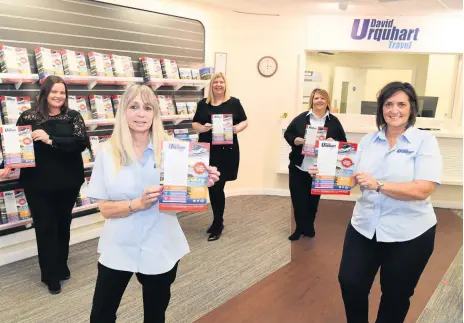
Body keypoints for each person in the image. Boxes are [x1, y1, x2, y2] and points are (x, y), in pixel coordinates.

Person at [87, 84, 220, 323]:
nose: (141, 114)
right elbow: (105, 209)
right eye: (134, 107)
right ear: (124, 112)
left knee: (155, 315)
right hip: (119, 245)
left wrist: (201, 182)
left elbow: (182, 200)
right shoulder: (108, 152)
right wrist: (136, 204)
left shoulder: (174, 149)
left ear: (155, 113)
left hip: (161, 244)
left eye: (148, 108)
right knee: (101, 315)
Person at [310, 82, 442, 323]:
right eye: (388, 104)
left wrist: (379, 184)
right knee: (350, 282)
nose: (394, 110)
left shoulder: (425, 141)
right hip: (364, 227)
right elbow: (351, 179)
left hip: (409, 234)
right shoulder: (369, 141)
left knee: (396, 295)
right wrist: (326, 175)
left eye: (401, 104)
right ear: (381, 109)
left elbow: (423, 189)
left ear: (412, 108)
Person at [2, 75, 88, 294]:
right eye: (54, 92)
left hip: (68, 181)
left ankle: (61, 264)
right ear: (44, 93)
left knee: (63, 223)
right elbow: (16, 145)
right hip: (38, 183)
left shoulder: (73, 116)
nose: (58, 96)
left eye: (62, 92)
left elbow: (81, 144)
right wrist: (8, 165)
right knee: (45, 226)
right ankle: (50, 275)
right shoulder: (29, 116)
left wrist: (50, 139)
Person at [192, 72, 248, 241]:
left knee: (218, 186)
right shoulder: (203, 104)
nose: (218, 84)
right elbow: (195, 123)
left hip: (226, 151)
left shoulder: (234, 102)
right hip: (207, 151)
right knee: (212, 187)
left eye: (221, 82)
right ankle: (218, 221)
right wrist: (203, 128)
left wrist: (237, 128)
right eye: (215, 82)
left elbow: (245, 120)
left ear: (225, 85)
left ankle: (218, 222)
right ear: (211, 85)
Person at [284, 88, 346, 241]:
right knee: (298, 200)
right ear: (311, 100)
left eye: (322, 98)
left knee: (313, 201)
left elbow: (344, 143)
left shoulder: (334, 121)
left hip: (320, 170)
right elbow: (288, 134)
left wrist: (335, 143)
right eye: (316, 98)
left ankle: (309, 225)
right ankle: (299, 228)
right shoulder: (301, 118)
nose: (319, 101)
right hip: (300, 167)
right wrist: (295, 140)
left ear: (327, 101)